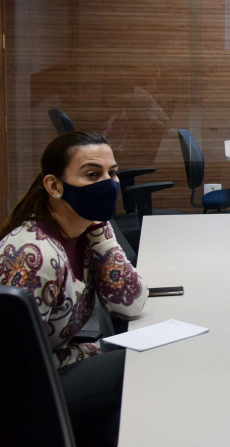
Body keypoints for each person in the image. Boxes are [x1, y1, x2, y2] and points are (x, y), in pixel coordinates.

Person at [0, 131, 148, 445]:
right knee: (142, 364)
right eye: (93, 174)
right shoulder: (34, 256)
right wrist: (86, 351)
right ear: (54, 186)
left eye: (113, 173)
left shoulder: (89, 224)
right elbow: (14, 366)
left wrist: (102, 237)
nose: (108, 184)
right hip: (24, 395)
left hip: (59, 365)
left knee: (118, 421)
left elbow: (129, 305)